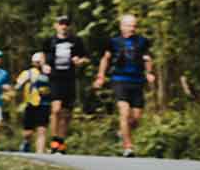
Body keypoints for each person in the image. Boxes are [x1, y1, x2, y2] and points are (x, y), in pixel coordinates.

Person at [93, 13, 155, 157]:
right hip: (120, 80)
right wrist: (101, 76)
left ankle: (123, 132)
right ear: (122, 26)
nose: (132, 28)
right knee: (124, 112)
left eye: (134, 26)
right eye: (128, 25)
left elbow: (147, 58)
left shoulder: (142, 41)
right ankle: (128, 147)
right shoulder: (114, 41)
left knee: (136, 119)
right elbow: (105, 59)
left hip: (137, 81)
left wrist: (149, 72)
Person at [42, 15, 88, 153]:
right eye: (61, 23)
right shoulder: (49, 41)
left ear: (69, 26)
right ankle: (54, 139)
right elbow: (42, 55)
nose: (64, 26)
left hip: (70, 78)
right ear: (56, 26)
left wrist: (80, 61)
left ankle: (61, 141)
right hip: (55, 78)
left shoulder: (76, 41)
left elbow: (86, 57)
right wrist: (44, 66)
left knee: (67, 113)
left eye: (66, 24)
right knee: (56, 109)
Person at [14, 52, 52, 154]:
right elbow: (18, 85)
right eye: (36, 62)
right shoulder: (28, 73)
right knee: (28, 132)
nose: (38, 64)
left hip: (44, 104)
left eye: (40, 61)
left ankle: (40, 153)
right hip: (31, 104)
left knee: (42, 129)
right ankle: (26, 142)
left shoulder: (49, 72)